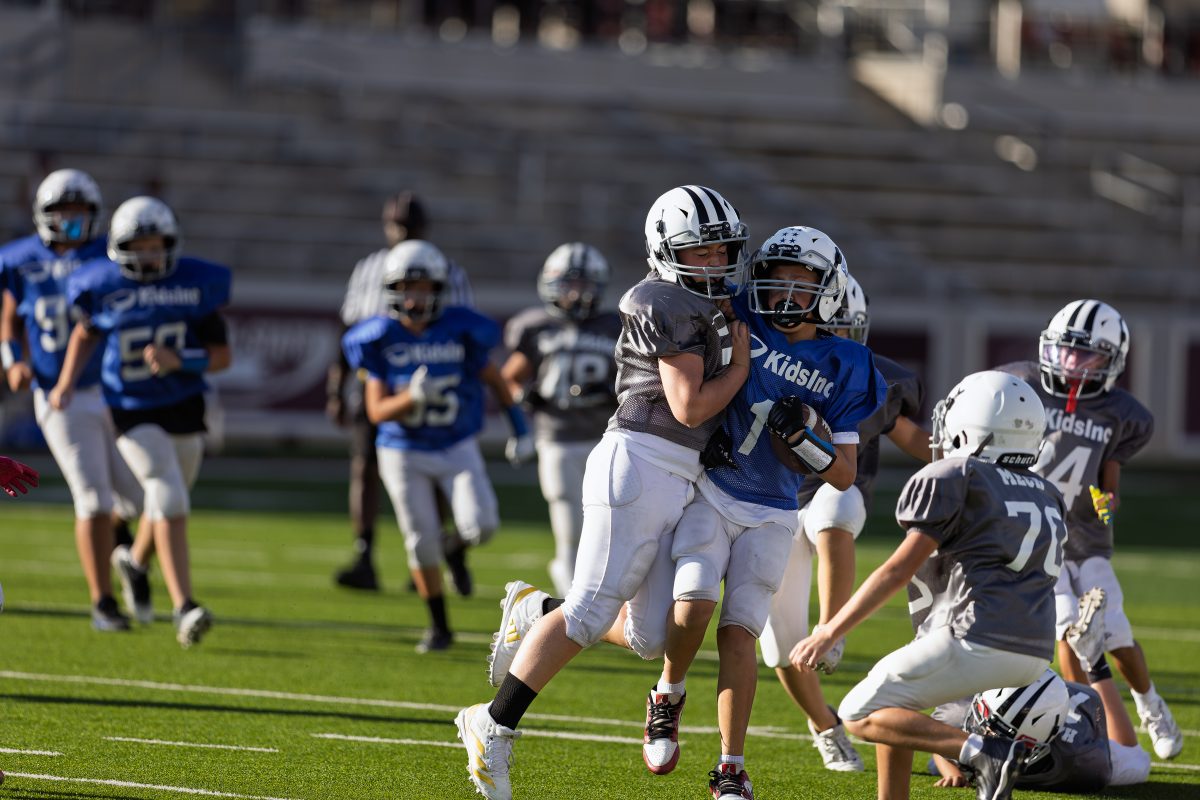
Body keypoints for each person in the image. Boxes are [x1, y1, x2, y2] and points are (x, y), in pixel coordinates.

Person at [457, 184, 751, 800]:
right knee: (590, 611)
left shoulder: (710, 302)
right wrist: (741, 368)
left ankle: (536, 609)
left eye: (721, 250)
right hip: (641, 460)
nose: (715, 262)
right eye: (700, 251)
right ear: (667, 251)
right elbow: (690, 406)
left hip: (679, 472)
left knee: (649, 636)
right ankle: (493, 723)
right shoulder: (659, 299)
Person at [642, 227, 885, 800]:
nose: (786, 294)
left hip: (775, 510)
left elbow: (843, 474)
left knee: (741, 632)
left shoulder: (846, 361)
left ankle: (731, 768)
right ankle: (668, 692)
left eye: (802, 284)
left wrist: (804, 441)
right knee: (694, 601)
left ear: (829, 292)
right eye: (776, 281)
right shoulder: (740, 316)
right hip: (713, 489)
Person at [791, 369, 1067, 800]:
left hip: (977, 635)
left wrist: (829, 630)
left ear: (969, 426)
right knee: (895, 696)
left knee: (858, 712)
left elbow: (897, 571)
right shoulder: (1046, 491)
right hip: (1033, 652)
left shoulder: (957, 476)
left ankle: (984, 752)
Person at [996, 298, 1182, 760]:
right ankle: (1082, 718)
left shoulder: (1122, 412)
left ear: (1112, 361)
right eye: (1066, 349)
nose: (1072, 361)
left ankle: (1149, 704)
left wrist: (1108, 505)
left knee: (1115, 630)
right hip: (1038, 532)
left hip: (1088, 538)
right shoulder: (1020, 383)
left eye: (1086, 354)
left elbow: (1109, 485)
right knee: (1064, 624)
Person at [759, 273, 930, 773]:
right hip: (769, 502)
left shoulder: (871, 375)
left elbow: (912, 437)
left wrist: (973, 457)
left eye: (841, 329)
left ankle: (832, 629)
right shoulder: (770, 361)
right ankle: (825, 726)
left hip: (832, 491)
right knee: (781, 646)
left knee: (836, 507)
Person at [52, 196, 232, 649]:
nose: (149, 255)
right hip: (131, 406)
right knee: (167, 491)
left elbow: (222, 357)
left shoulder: (193, 284)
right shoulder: (103, 285)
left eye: (156, 246)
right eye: (139, 247)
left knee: (169, 493)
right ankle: (184, 605)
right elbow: (85, 332)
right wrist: (66, 382)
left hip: (184, 403)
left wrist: (181, 360)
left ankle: (134, 561)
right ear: (119, 247)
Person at [342, 239, 523, 654]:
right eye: (407, 288)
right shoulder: (378, 336)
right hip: (402, 449)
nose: (415, 298)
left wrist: (520, 429)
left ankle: (454, 547)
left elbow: (495, 380)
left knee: (482, 526)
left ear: (440, 290)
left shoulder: (461, 329)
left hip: (456, 444)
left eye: (424, 288)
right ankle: (439, 626)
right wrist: (411, 398)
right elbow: (377, 411)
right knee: (419, 540)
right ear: (391, 290)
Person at [0, 168, 149, 631]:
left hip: (114, 389)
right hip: (59, 396)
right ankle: (103, 602)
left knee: (145, 498)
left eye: (79, 210)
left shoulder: (108, 256)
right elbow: (10, 318)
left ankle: (124, 546)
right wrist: (13, 361)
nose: (71, 218)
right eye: (62, 210)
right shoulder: (19, 259)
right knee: (92, 497)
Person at [328, 192, 474, 592]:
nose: (403, 233)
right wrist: (336, 388)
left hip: (434, 384)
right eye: (397, 226)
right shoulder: (369, 268)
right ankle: (364, 553)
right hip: (380, 383)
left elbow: (466, 334)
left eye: (410, 226)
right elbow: (348, 331)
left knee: (437, 468)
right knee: (365, 465)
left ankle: (432, 553)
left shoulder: (449, 272)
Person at [929, 592, 1152, 793]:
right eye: (987, 724)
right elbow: (937, 741)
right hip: (1044, 695)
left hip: (1072, 711)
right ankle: (1085, 652)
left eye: (998, 733)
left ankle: (1095, 663)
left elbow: (1092, 705)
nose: (983, 733)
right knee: (938, 761)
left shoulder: (1079, 763)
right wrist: (952, 772)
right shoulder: (965, 711)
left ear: (1033, 748)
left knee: (1138, 763)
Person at [500, 242, 621, 595]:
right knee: (570, 528)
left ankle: (594, 597)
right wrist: (524, 398)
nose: (575, 293)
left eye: (583, 285)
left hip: (605, 438)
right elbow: (509, 379)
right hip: (556, 439)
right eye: (568, 284)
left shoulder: (615, 326)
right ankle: (573, 601)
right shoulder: (536, 327)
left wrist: (612, 391)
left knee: (610, 524)